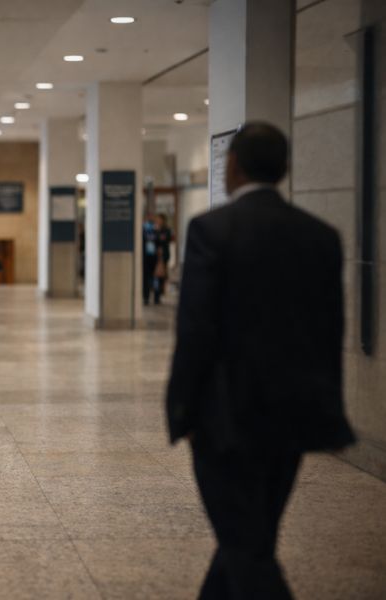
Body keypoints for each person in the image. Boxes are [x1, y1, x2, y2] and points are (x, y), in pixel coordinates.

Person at [166, 122, 355, 600]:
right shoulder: (321, 236)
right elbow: (330, 332)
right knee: (250, 537)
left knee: (247, 550)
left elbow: (196, 332)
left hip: (226, 419)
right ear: (285, 169)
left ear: (232, 166)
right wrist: (327, 412)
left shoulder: (212, 230)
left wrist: (182, 411)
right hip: (294, 416)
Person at [152, 213, 173, 304]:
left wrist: (160, 239)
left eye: (160, 219)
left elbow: (167, 239)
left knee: (162, 276)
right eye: (157, 219)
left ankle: (160, 293)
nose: (158, 221)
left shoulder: (167, 230)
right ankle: (156, 295)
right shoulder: (155, 229)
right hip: (155, 256)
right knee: (156, 276)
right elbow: (155, 240)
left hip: (164, 256)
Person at [142, 214, 158, 306]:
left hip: (154, 259)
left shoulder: (156, 231)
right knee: (146, 279)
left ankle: (156, 297)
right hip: (146, 259)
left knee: (155, 278)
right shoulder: (143, 231)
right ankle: (146, 297)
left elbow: (160, 242)